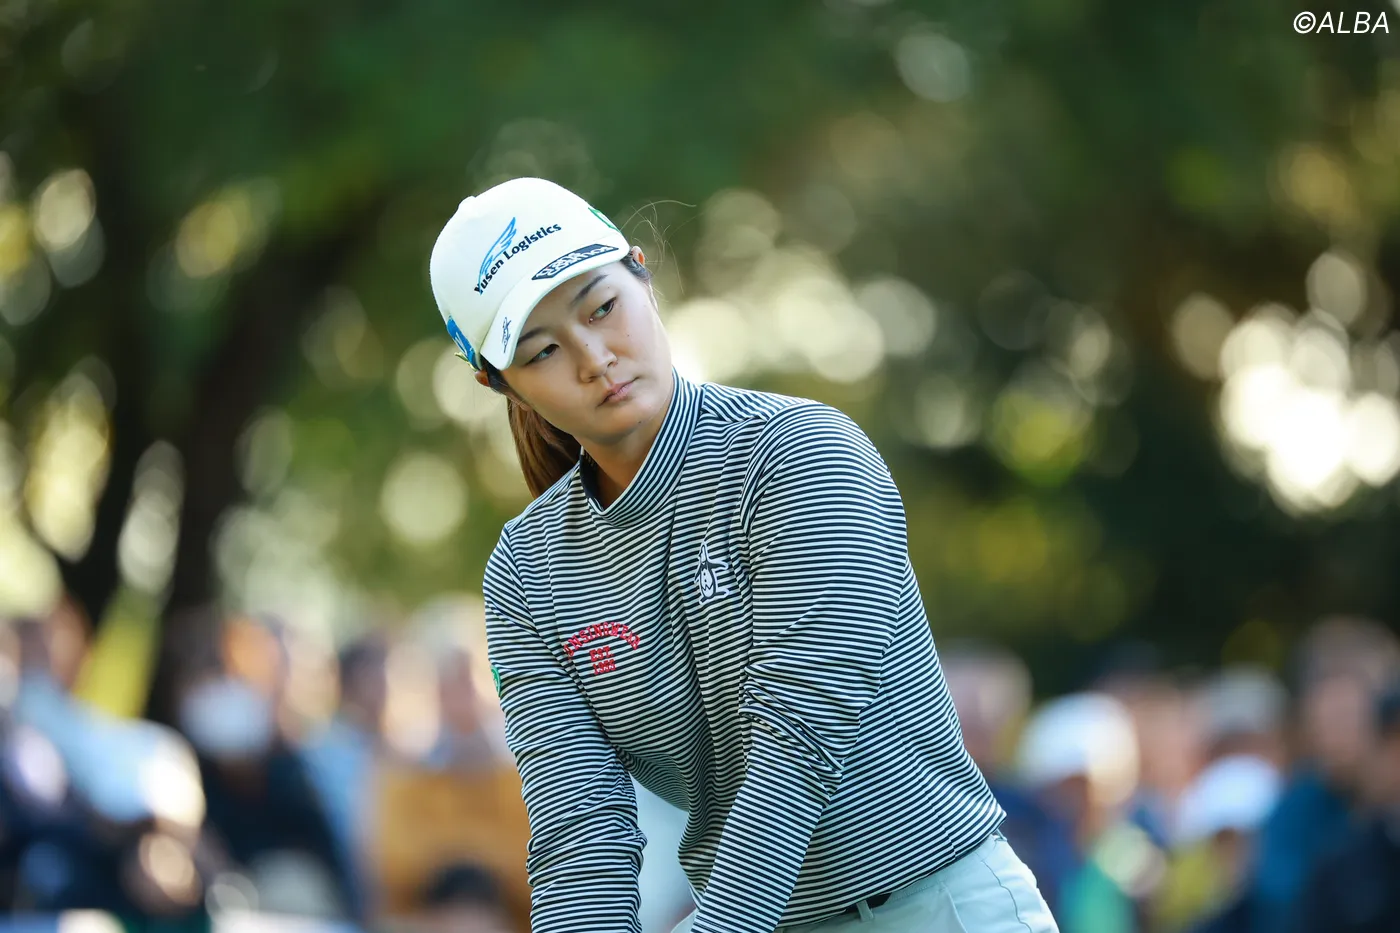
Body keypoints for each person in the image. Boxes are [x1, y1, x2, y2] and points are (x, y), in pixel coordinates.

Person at [428, 177, 1058, 933]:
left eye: (601, 308)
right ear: (500, 384)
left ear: (641, 275)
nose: (595, 358)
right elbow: (578, 830)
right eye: (543, 350)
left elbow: (798, 741)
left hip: (938, 908)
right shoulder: (527, 569)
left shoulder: (801, 453)